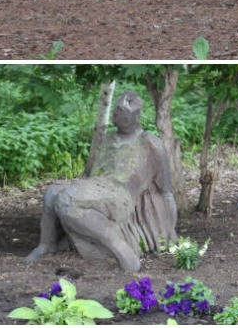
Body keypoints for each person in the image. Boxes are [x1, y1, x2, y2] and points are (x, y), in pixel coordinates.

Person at [26, 91, 176, 271]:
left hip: (120, 195)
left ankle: (122, 250)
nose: (114, 114)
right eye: (114, 110)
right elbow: (93, 174)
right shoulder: (109, 139)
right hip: (97, 187)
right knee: (51, 192)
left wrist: (170, 229)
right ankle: (47, 245)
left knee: (67, 201)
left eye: (118, 112)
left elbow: (166, 191)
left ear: (132, 116)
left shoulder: (149, 142)